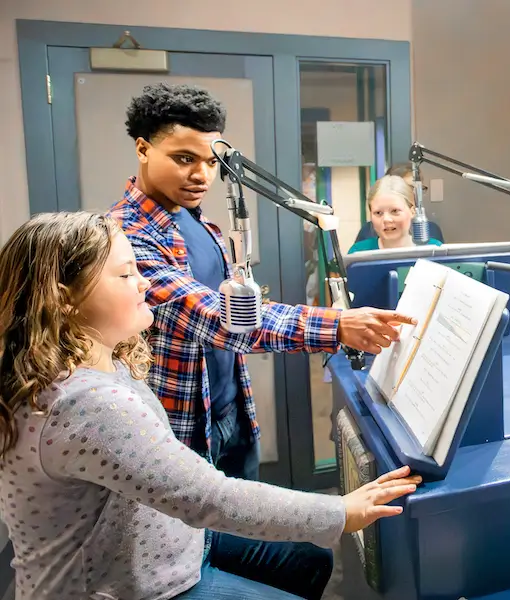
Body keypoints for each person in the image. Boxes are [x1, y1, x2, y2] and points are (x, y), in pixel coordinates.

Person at [0, 211, 422, 600]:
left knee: (310, 558)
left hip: (163, 539)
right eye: (127, 274)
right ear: (64, 299)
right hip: (121, 586)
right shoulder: (86, 403)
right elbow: (209, 497)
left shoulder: (97, 361)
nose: (144, 282)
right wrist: (341, 511)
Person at [108, 83, 415, 479]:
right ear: (143, 149)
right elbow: (218, 318)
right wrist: (337, 326)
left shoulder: (200, 221)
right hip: (181, 426)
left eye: (210, 162)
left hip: (229, 408)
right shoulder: (125, 236)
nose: (202, 175)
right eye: (184, 158)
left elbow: (239, 307)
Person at [354, 162, 445, 244]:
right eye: (378, 213)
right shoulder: (366, 236)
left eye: (417, 189)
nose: (387, 219)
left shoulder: (432, 234)